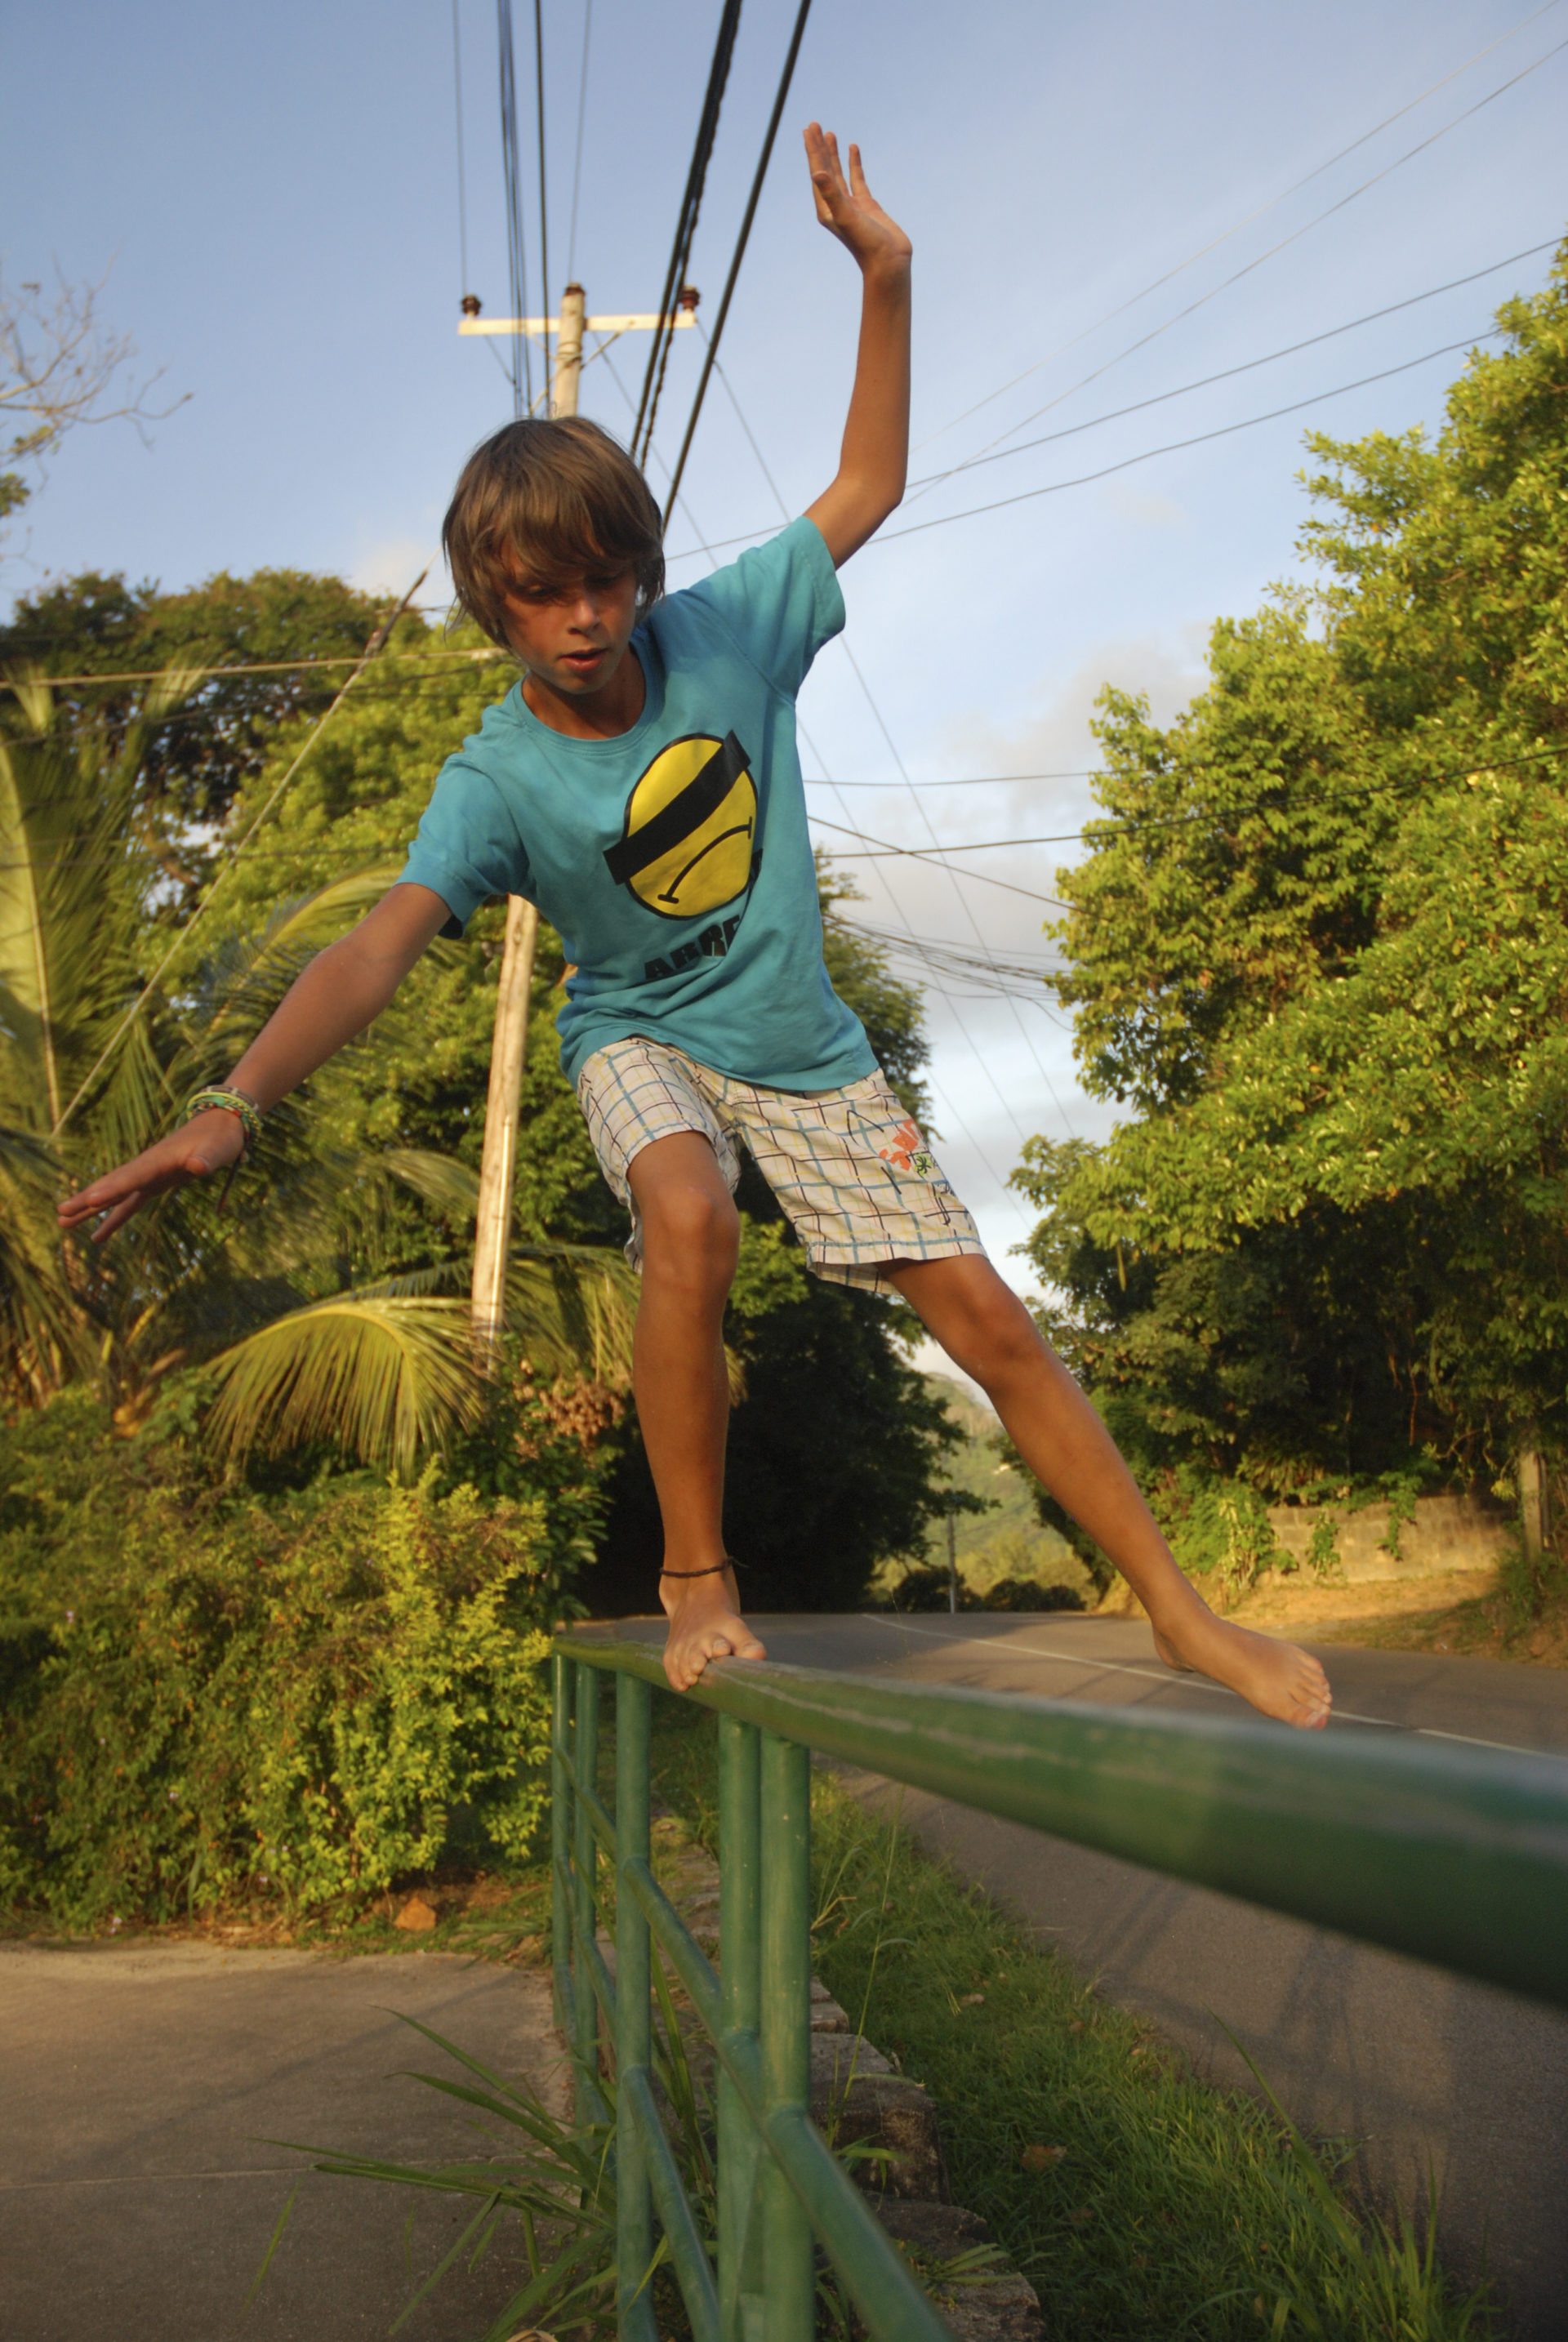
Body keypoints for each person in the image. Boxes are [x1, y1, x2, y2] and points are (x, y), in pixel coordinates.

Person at [60, 127, 1332, 1730]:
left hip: (804, 1048)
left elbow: (866, 487)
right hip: (638, 1037)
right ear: (494, 604)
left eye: (607, 580)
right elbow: (377, 942)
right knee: (689, 1210)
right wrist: (235, 1104)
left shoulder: (728, 635)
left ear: (644, 572)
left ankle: (1180, 1611)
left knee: (991, 1324)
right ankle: (697, 1575)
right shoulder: (496, 779)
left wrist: (887, 274)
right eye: (545, 594)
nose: (586, 617)